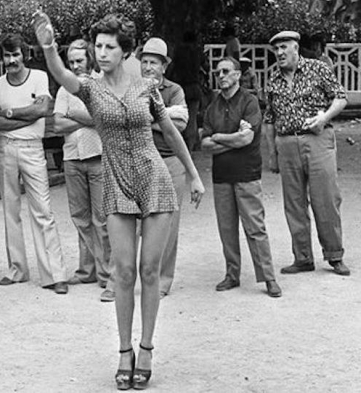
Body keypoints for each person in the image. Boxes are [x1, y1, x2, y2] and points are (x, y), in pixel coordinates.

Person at [33, 11, 204, 390]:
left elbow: (170, 132)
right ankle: (124, 351)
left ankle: (147, 349)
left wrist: (193, 175)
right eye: (98, 46)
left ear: (125, 51)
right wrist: (48, 47)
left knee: (149, 271)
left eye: (110, 46)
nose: (102, 52)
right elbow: (61, 75)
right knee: (123, 273)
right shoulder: (91, 88)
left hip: (154, 180)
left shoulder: (146, 87)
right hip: (117, 184)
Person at [264, 31, 350, 276]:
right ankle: (302, 258)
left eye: (284, 47)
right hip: (286, 143)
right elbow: (269, 118)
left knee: (326, 198)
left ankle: (334, 255)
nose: (279, 53)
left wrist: (324, 117)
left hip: (317, 140)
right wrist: (272, 154)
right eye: (276, 49)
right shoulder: (273, 79)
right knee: (294, 203)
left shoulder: (317, 68)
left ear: (295, 47)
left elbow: (340, 98)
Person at [0, 33, 69, 295]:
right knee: (10, 210)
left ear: (24, 55)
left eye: (15, 54)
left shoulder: (38, 77)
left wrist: (10, 113)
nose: (11, 60)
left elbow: (41, 111)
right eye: (7, 55)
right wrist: (26, 114)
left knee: (43, 211)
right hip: (5, 148)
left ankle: (54, 274)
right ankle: (17, 269)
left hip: (32, 149)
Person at [201, 57, 282, 298]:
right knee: (226, 229)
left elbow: (247, 138)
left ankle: (268, 277)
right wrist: (232, 138)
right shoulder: (212, 107)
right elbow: (204, 144)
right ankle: (232, 274)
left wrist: (218, 137)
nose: (221, 76)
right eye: (218, 72)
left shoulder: (249, 102)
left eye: (226, 71)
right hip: (221, 176)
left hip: (247, 173)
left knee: (255, 227)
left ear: (237, 74)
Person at [52, 39, 115, 301]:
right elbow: (57, 125)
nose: (76, 65)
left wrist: (74, 116)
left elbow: (103, 119)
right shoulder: (64, 89)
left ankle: (107, 273)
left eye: (80, 60)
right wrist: (85, 118)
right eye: (71, 62)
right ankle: (87, 269)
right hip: (72, 158)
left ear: (90, 58)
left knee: (102, 218)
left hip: (98, 157)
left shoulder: (101, 85)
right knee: (80, 216)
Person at [137, 37, 189, 299]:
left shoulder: (174, 90)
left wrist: (147, 117)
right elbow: (129, 121)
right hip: (140, 162)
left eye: (154, 63)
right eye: (145, 62)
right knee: (134, 221)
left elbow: (180, 124)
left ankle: (162, 281)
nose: (148, 67)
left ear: (164, 67)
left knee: (168, 223)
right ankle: (131, 277)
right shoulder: (133, 88)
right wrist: (164, 116)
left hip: (170, 162)